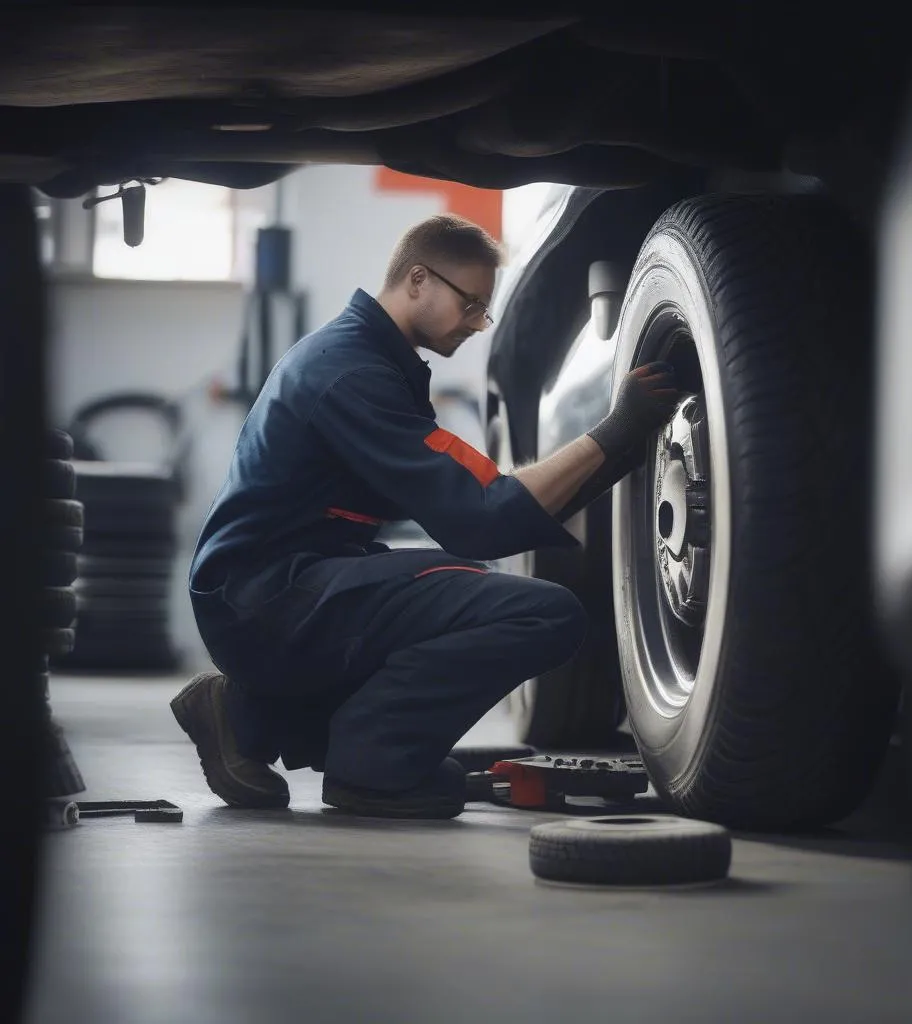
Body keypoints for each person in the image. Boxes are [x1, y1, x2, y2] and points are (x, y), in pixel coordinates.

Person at [172, 213, 681, 819]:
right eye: (470, 304)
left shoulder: (366, 359)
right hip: (270, 600)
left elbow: (474, 503)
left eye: (483, 310)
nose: (476, 323)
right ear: (418, 280)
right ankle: (374, 764)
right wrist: (619, 430)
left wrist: (612, 448)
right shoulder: (355, 376)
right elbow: (483, 517)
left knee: (438, 581)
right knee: (543, 613)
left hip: (272, 592)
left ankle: (247, 717)